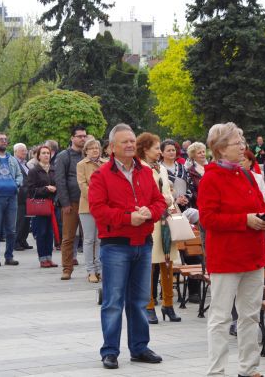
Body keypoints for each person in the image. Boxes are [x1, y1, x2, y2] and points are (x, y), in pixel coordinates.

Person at [88, 123, 167, 370]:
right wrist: (127, 218)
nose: (131, 145)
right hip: (116, 246)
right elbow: (98, 209)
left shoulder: (145, 171)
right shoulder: (101, 175)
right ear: (112, 147)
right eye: (125, 142)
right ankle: (110, 351)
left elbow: (159, 202)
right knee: (113, 301)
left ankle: (139, 348)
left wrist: (150, 212)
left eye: (132, 141)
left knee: (140, 300)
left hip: (143, 243)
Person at [198, 122, 265, 377]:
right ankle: (216, 371)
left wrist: (263, 217)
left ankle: (249, 368)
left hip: (253, 255)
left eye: (242, 142)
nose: (242, 147)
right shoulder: (211, 178)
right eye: (237, 143)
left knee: (250, 315)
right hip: (226, 257)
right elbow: (208, 219)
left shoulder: (246, 175)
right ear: (220, 149)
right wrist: (244, 220)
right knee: (220, 317)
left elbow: (262, 205)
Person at [136, 132, 180, 325]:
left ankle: (168, 304)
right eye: (156, 148)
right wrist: (164, 199)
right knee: (150, 264)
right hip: (151, 219)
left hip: (166, 218)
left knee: (168, 262)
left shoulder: (160, 168)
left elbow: (167, 191)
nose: (159, 151)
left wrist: (170, 199)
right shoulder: (140, 168)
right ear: (145, 149)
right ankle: (149, 305)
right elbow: (144, 195)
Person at [54, 126, 87, 280]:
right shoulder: (64, 156)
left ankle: (93, 270)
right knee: (68, 237)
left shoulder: (88, 155)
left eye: (84, 136)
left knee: (91, 238)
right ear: (72, 138)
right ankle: (67, 269)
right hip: (71, 203)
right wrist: (65, 203)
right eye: (79, 136)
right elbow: (60, 180)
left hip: (88, 202)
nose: (82, 139)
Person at [0, 132, 23, 266]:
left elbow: (19, 175)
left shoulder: (12, 159)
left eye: (5, 139)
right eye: (1, 139)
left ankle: (9, 256)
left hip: (12, 197)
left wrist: (16, 184)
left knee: (11, 230)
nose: (4, 141)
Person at [76, 139, 107, 282]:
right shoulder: (81, 164)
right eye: (91, 148)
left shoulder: (105, 163)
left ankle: (100, 268)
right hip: (87, 206)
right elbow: (82, 185)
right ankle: (90, 270)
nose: (95, 150)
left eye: (97, 148)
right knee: (89, 239)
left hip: (103, 206)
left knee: (100, 239)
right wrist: (96, 198)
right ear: (86, 151)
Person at [26, 145, 58, 268]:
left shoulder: (54, 169)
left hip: (52, 205)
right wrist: (46, 189)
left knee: (50, 233)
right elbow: (30, 190)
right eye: (43, 153)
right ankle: (42, 258)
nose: (46, 155)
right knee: (42, 232)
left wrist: (55, 189)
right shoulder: (34, 171)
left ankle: (49, 257)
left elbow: (58, 185)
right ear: (38, 156)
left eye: (48, 153)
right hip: (40, 205)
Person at [160, 140, 192, 211]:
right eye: (168, 150)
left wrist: (186, 197)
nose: (171, 152)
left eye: (173, 150)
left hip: (184, 206)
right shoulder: (158, 169)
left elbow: (190, 185)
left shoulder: (182, 167)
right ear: (162, 153)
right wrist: (174, 200)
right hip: (167, 208)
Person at [13, 143, 33, 251]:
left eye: (25, 150)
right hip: (20, 195)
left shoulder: (25, 163)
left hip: (28, 195)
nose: (25, 152)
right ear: (15, 152)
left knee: (26, 220)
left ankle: (23, 240)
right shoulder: (13, 162)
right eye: (22, 151)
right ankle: (16, 242)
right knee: (19, 220)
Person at [186, 141, 207, 207]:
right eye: (199, 153)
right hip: (199, 204)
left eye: (203, 152)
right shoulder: (190, 171)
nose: (202, 154)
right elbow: (192, 191)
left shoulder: (212, 167)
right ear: (194, 156)